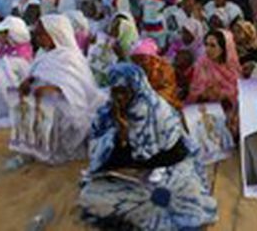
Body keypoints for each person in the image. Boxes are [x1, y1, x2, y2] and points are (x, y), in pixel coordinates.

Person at [79, 63, 218, 230]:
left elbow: (175, 153)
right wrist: (117, 138)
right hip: (128, 177)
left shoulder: (159, 112)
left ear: (137, 87)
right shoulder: (106, 114)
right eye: (115, 91)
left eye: (124, 91)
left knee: (179, 201)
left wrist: (138, 162)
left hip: (167, 170)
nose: (119, 97)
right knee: (90, 196)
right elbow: (96, 153)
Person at [13, 14, 106, 163]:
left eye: (40, 34)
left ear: (54, 34)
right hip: (41, 100)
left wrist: (50, 89)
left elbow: (73, 88)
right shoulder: (43, 55)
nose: (37, 37)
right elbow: (38, 74)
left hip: (67, 106)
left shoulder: (70, 57)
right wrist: (28, 81)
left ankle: (53, 149)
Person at [186, 30, 241, 130]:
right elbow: (194, 89)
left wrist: (221, 93)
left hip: (228, 111)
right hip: (204, 109)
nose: (207, 49)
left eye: (213, 45)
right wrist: (204, 93)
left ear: (224, 48)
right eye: (206, 44)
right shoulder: (202, 64)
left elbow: (237, 93)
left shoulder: (233, 68)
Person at [129, 38, 181, 109]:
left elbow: (168, 91)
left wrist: (148, 99)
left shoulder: (164, 69)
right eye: (135, 60)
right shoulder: (134, 69)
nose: (139, 63)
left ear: (152, 57)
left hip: (162, 103)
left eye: (142, 59)